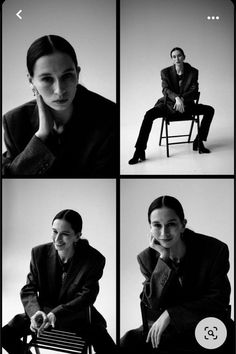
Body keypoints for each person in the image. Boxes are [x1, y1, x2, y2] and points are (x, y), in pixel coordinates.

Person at [120, 196, 234, 353]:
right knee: (127, 342)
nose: (164, 232)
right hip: (169, 330)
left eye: (171, 224)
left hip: (206, 324)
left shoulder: (215, 250)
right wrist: (163, 260)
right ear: (150, 228)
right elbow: (151, 303)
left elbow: (219, 300)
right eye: (157, 225)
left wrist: (171, 314)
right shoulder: (146, 258)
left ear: (183, 225)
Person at [2, 209, 117, 354]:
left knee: (109, 349)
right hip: (41, 315)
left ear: (77, 236)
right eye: (55, 231)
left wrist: (57, 313)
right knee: (4, 335)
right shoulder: (38, 253)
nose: (57, 239)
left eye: (65, 234)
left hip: (77, 316)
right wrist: (35, 313)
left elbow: (87, 296)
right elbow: (28, 288)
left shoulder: (94, 259)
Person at [2, 35, 117, 177]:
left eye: (67, 76)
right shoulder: (14, 121)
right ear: (31, 81)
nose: (59, 90)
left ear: (77, 74)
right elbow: (8, 177)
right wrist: (41, 136)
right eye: (47, 79)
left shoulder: (110, 116)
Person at [129, 47, 214, 164]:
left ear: (184, 57)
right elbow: (165, 89)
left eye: (179, 55)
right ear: (172, 59)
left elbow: (194, 90)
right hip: (168, 105)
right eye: (174, 57)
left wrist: (182, 99)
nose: (177, 58)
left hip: (186, 107)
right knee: (149, 115)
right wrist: (177, 98)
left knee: (210, 110)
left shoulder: (193, 71)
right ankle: (139, 150)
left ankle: (199, 141)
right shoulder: (165, 72)